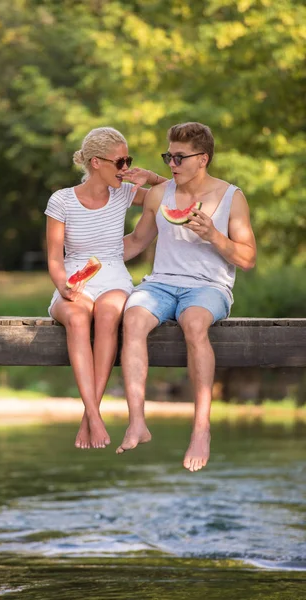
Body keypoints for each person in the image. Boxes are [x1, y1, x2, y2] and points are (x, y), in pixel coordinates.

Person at [116, 122, 257, 471]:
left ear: (203, 159)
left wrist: (213, 235)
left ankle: (201, 429)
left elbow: (248, 258)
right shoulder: (159, 194)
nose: (172, 164)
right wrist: (80, 255)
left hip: (209, 286)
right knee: (132, 317)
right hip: (160, 284)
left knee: (194, 322)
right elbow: (135, 242)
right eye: (168, 156)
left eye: (179, 157)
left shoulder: (230, 197)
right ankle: (137, 420)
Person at [45, 127, 167, 450]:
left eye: (128, 160)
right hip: (74, 277)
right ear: (96, 162)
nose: (126, 168)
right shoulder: (61, 201)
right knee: (77, 319)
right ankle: (94, 415)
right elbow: (55, 260)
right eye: (120, 161)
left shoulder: (124, 194)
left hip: (113, 275)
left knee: (110, 314)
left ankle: (90, 415)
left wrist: (151, 177)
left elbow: (175, 192)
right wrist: (64, 287)